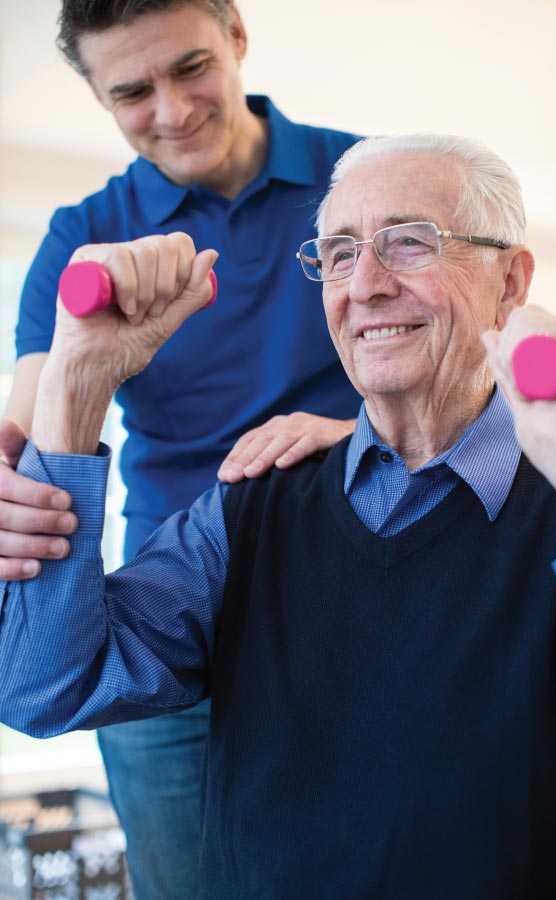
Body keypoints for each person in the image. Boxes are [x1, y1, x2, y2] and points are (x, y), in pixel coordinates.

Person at [2, 132, 556, 898]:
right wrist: (78, 385)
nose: (367, 283)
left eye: (410, 243)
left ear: (511, 281)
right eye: (340, 253)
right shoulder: (250, 508)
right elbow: (42, 688)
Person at [0, 1, 362, 895]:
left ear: (236, 35)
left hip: (354, 591)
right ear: (96, 94)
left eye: (191, 66)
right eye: (131, 90)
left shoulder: (363, 180)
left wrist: (365, 434)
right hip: (165, 615)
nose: (170, 108)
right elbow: (27, 421)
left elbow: (486, 382)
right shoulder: (80, 236)